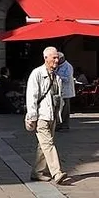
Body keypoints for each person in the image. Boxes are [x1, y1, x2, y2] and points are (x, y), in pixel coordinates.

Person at [25, 47, 73, 185]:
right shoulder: (37, 74)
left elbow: (59, 97)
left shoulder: (56, 76)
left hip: (52, 115)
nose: (57, 60)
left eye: (57, 58)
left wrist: (59, 114)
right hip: (41, 116)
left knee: (43, 145)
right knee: (49, 144)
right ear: (45, 58)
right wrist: (32, 116)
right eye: (54, 58)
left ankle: (37, 172)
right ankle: (56, 172)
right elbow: (32, 96)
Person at [55, 52, 75, 131]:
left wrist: (57, 76)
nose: (56, 60)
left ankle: (65, 125)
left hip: (66, 91)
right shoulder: (57, 66)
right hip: (59, 90)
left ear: (62, 59)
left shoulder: (68, 66)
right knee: (58, 109)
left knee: (65, 109)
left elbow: (67, 78)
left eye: (58, 59)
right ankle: (58, 124)